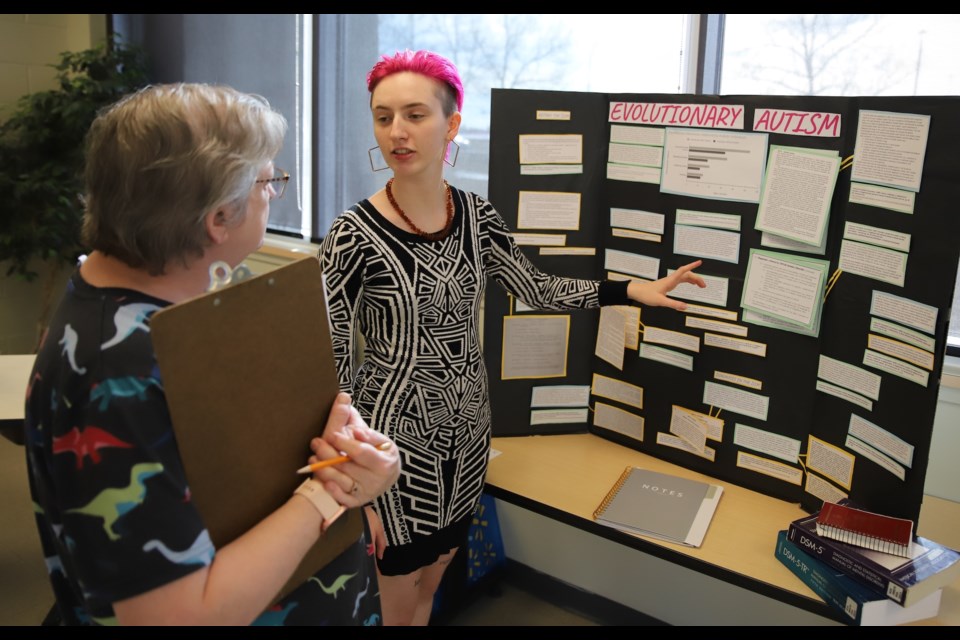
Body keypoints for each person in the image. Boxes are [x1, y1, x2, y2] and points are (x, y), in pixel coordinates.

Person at [318, 50, 706, 626]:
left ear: (451, 125)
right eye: (383, 116)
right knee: (395, 598)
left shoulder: (478, 217)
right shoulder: (353, 233)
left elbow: (538, 288)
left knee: (430, 588)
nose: (397, 132)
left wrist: (631, 290)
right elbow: (328, 360)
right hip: (390, 448)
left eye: (415, 115)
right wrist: (353, 477)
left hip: (469, 434)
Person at [22, 83, 400, 626]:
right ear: (218, 218)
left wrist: (347, 461)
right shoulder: (116, 373)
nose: (274, 194)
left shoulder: (170, 305)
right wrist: (329, 496)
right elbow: (175, 617)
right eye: (270, 181)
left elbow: (225, 460)